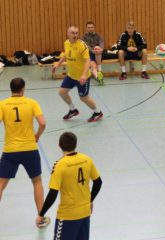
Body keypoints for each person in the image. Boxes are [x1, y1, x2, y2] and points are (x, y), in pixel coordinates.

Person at [0, 77, 50, 226]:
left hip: (10, 150)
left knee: (1, 183)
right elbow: (42, 123)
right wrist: (37, 135)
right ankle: (41, 218)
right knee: (37, 181)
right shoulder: (31, 102)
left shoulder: (2, 104)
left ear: (11, 89)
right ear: (23, 89)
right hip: (29, 149)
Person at [36, 132, 102, 240]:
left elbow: (53, 193)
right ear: (76, 144)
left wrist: (41, 214)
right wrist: (90, 200)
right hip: (85, 213)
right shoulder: (86, 159)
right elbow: (98, 182)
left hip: (67, 216)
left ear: (59, 145)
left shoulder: (60, 165)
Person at [52, 25, 103, 122]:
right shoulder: (66, 43)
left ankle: (97, 112)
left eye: (76, 33)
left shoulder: (81, 45)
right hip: (71, 75)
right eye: (73, 33)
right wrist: (58, 64)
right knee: (62, 92)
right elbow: (66, 55)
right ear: (68, 34)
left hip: (82, 77)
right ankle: (73, 110)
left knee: (83, 97)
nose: (75, 35)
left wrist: (84, 75)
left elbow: (88, 61)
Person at [81, 21, 104, 85]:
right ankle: (99, 78)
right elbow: (86, 46)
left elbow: (101, 43)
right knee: (93, 66)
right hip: (89, 55)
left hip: (98, 55)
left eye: (92, 27)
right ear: (86, 28)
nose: (90, 29)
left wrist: (101, 49)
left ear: (94, 28)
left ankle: (99, 71)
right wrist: (92, 50)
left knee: (97, 48)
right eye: (89, 27)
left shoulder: (98, 36)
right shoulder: (83, 37)